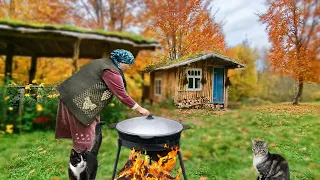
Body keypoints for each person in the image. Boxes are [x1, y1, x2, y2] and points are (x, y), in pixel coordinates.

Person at [55, 49, 150, 152]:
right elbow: (122, 95)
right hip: (78, 102)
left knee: (93, 127)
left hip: (71, 95)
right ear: (122, 62)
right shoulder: (111, 71)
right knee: (86, 134)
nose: (129, 67)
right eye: (129, 64)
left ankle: (87, 158)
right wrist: (140, 108)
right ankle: (82, 161)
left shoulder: (101, 63)